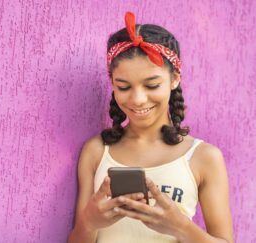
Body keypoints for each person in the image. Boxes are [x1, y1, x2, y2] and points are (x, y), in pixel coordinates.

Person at [68, 11, 234, 243]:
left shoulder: (204, 157)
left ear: (174, 78)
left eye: (152, 85)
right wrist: (89, 223)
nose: (137, 99)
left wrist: (181, 227)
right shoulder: (96, 150)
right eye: (124, 87)